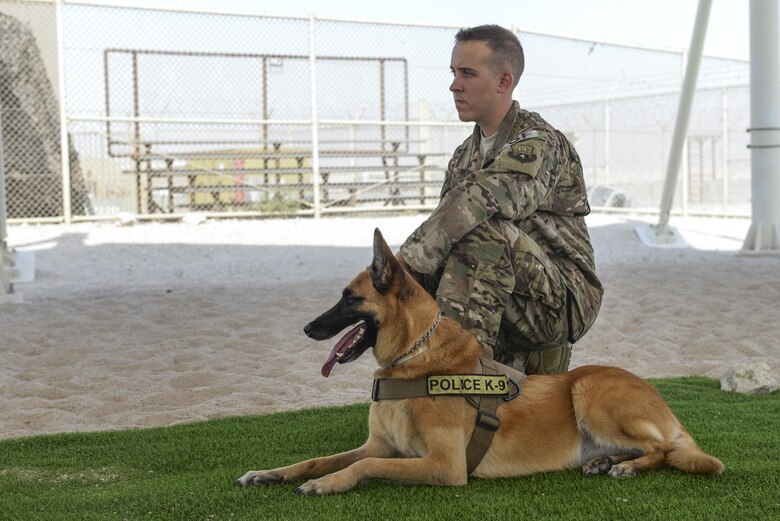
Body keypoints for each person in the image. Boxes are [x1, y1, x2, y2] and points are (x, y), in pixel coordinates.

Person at [396, 24, 603, 375]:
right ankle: (423, 374)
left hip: (559, 302)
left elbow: (484, 200)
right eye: (453, 72)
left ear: (503, 82)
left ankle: (456, 377)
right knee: (413, 281)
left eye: (467, 74)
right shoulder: (465, 155)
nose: (454, 85)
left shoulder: (539, 142)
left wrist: (405, 259)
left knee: (478, 233)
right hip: (502, 291)